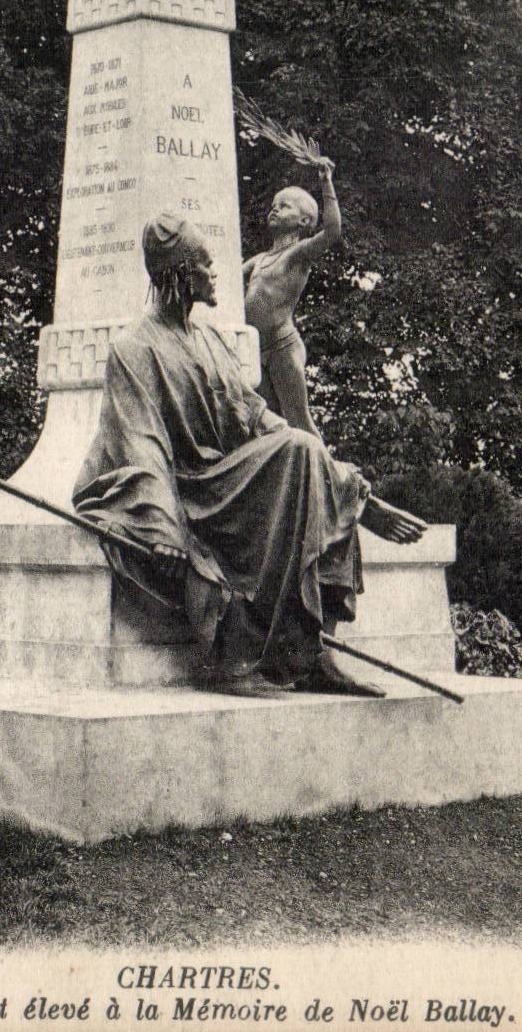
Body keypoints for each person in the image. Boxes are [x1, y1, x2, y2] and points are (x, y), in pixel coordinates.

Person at [73, 213, 425, 697]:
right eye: (205, 265)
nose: (217, 274)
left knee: (301, 448)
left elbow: (258, 417)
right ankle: (234, 656)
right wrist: (163, 525)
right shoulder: (134, 347)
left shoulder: (211, 340)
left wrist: (360, 496)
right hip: (190, 487)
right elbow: (142, 443)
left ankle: (315, 652)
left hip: (224, 475)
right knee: (296, 455)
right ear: (180, 275)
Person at [243, 157, 340, 438]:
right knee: (267, 425)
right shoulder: (259, 260)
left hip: (283, 346)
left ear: (304, 220)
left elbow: (332, 232)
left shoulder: (297, 255)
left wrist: (326, 183)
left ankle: (328, 476)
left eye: (284, 206)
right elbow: (224, 283)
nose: (275, 209)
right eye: (274, 205)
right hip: (257, 350)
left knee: (299, 419)